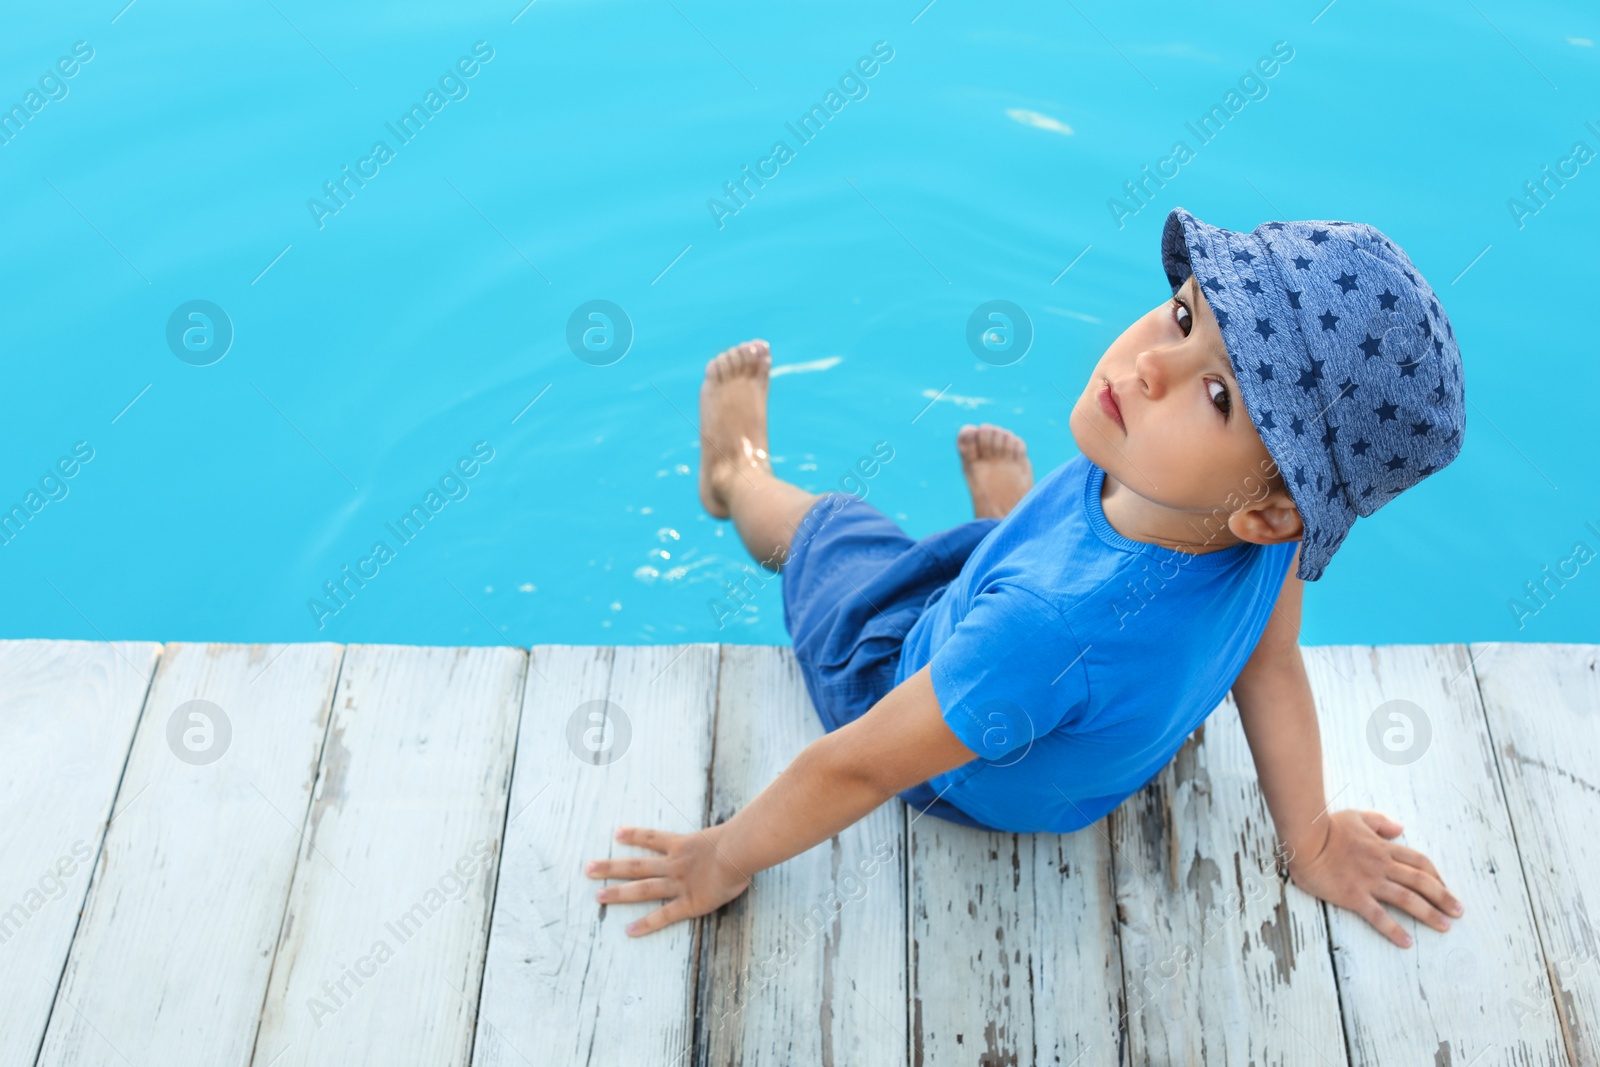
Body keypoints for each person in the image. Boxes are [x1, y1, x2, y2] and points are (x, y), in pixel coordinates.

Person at [585, 207, 1468, 950]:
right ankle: (1009, 533)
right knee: (1021, 565)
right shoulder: (1263, 526)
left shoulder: (1047, 629)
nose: (1152, 365)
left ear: (1271, 512)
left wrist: (723, 858)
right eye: (1188, 317)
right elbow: (1271, 668)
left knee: (832, 529)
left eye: (1219, 398)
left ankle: (734, 473)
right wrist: (1308, 840)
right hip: (1070, 704)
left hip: (923, 688)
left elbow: (856, 767)